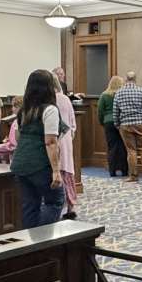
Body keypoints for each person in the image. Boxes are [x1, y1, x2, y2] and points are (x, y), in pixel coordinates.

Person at [10, 69, 65, 228]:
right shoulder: (50, 110)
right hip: (40, 164)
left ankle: (30, 246)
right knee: (55, 201)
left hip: (20, 164)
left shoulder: (23, 111)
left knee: (30, 206)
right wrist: (56, 170)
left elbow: (20, 136)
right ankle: (42, 242)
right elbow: (50, 142)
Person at [114, 71, 142, 183]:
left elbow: (115, 111)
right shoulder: (141, 91)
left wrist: (117, 124)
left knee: (131, 151)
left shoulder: (119, 92)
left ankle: (133, 176)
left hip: (126, 124)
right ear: (135, 79)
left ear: (126, 79)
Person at [54, 79, 78, 218]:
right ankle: (70, 205)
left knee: (59, 171)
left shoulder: (49, 100)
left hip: (55, 138)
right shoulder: (66, 99)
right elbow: (72, 120)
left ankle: (61, 207)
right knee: (68, 171)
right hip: (67, 137)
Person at [97, 75, 128, 177]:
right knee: (123, 146)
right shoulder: (123, 94)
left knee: (112, 147)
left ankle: (112, 171)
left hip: (108, 123)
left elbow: (100, 111)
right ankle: (124, 170)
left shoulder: (104, 95)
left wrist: (102, 122)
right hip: (122, 121)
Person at [0, 97, 21, 163]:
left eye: (14, 106)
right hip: (14, 146)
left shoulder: (17, 122)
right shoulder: (16, 121)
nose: (12, 109)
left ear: (19, 107)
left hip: (15, 148)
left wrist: (8, 143)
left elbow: (14, 143)